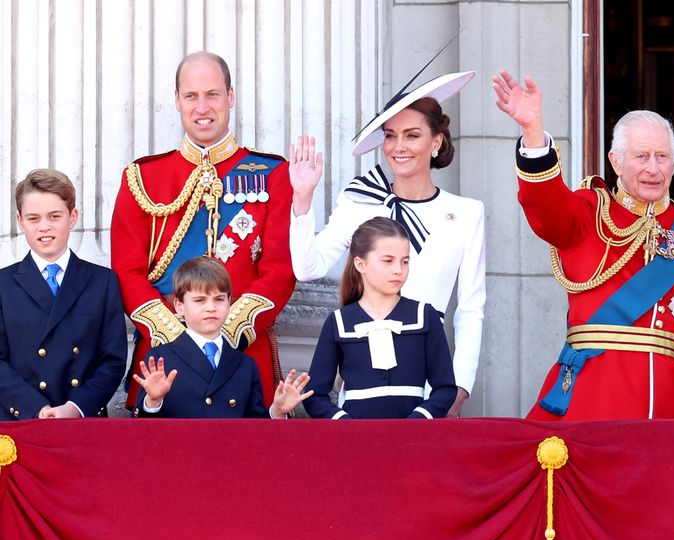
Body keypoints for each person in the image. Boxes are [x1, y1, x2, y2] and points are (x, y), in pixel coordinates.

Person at [492, 70, 674, 420]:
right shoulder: (589, 212)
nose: (653, 168)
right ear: (616, 162)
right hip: (592, 400)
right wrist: (533, 132)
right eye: (641, 156)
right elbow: (546, 207)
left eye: (662, 157)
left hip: (669, 408)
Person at [289, 70, 484, 418]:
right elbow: (307, 268)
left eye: (412, 135)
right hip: (364, 387)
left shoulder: (466, 213)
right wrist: (302, 202)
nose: (399, 147)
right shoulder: (360, 199)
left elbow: (470, 308)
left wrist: (459, 388)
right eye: (391, 136)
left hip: (429, 382)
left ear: (436, 142)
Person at [111, 51, 296, 409]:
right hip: (164, 357)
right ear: (177, 100)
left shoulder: (274, 174)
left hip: (241, 357)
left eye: (212, 94)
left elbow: (281, 271)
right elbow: (126, 271)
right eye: (191, 96)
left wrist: (225, 332)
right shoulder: (142, 178)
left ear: (231, 96)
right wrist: (177, 337)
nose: (202, 107)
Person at [0, 169, 127, 419]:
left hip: (82, 419)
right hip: (20, 420)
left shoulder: (102, 281)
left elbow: (112, 360)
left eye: (54, 216)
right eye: (33, 218)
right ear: (20, 221)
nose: (44, 227)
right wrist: (36, 408)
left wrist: (75, 408)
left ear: (72, 217)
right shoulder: (2, 284)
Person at [302, 218, 458, 419]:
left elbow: (445, 388)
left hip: (414, 441)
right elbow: (314, 396)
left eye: (405, 261)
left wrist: (418, 421)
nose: (398, 270)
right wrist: (345, 424)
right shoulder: (339, 322)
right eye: (388, 261)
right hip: (357, 442)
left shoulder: (424, 316)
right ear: (360, 264)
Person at [133, 257, 311, 418]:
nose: (211, 308)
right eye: (200, 300)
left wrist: (277, 411)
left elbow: (255, 429)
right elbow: (144, 433)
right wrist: (153, 402)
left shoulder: (245, 365)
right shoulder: (160, 359)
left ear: (229, 303)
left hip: (232, 453)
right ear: (179, 306)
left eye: (219, 299)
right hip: (179, 451)